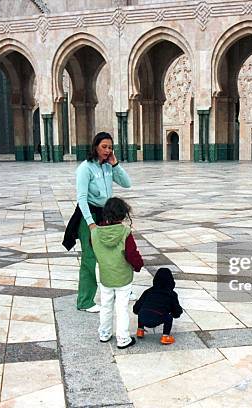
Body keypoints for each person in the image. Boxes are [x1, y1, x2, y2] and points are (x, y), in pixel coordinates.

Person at [61, 132, 131, 313]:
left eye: (110, 147)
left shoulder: (108, 166)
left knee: (114, 254)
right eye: (104, 147)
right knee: (90, 258)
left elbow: (127, 183)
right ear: (95, 147)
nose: (107, 151)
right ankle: (85, 301)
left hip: (106, 216)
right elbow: (82, 199)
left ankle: (120, 288)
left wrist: (115, 164)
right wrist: (91, 224)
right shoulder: (85, 168)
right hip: (89, 216)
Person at [92, 197, 143, 349]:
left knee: (106, 306)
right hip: (123, 278)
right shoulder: (125, 233)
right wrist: (138, 265)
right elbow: (132, 254)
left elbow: (94, 249)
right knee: (121, 309)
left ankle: (104, 333)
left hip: (106, 277)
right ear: (123, 214)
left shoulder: (94, 233)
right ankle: (123, 339)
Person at [133, 267, 183, 345]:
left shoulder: (148, 291)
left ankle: (140, 330)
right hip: (157, 318)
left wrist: (138, 311)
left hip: (143, 318)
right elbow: (176, 311)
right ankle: (165, 337)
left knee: (142, 309)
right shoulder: (171, 294)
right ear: (171, 281)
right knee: (169, 317)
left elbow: (136, 309)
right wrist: (175, 313)